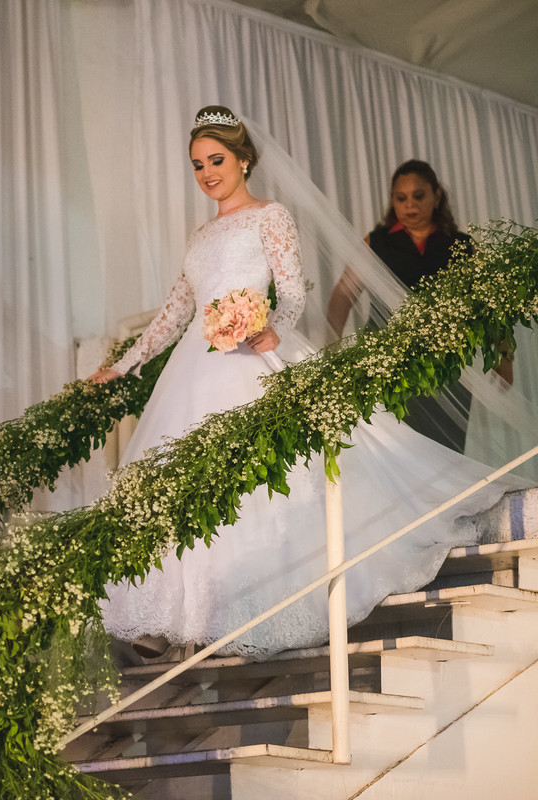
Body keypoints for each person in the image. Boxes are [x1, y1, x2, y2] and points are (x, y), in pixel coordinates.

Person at [87, 107, 515, 657]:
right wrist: (123, 365)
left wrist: (270, 330)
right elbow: (174, 311)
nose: (207, 173)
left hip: (251, 353)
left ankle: (248, 605)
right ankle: (185, 614)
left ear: (244, 160)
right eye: (197, 165)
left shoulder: (271, 216)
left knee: (262, 483)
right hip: (195, 366)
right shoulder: (200, 235)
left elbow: (291, 293)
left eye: (216, 160)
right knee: (178, 478)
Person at [326, 160, 511, 452]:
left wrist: (504, 358)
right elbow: (342, 297)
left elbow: (491, 303)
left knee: (446, 455)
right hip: (386, 367)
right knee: (393, 455)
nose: (409, 205)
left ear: (437, 195)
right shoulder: (377, 242)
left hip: (447, 370)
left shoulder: (462, 245)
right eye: (401, 198)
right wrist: (332, 353)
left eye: (418, 196)